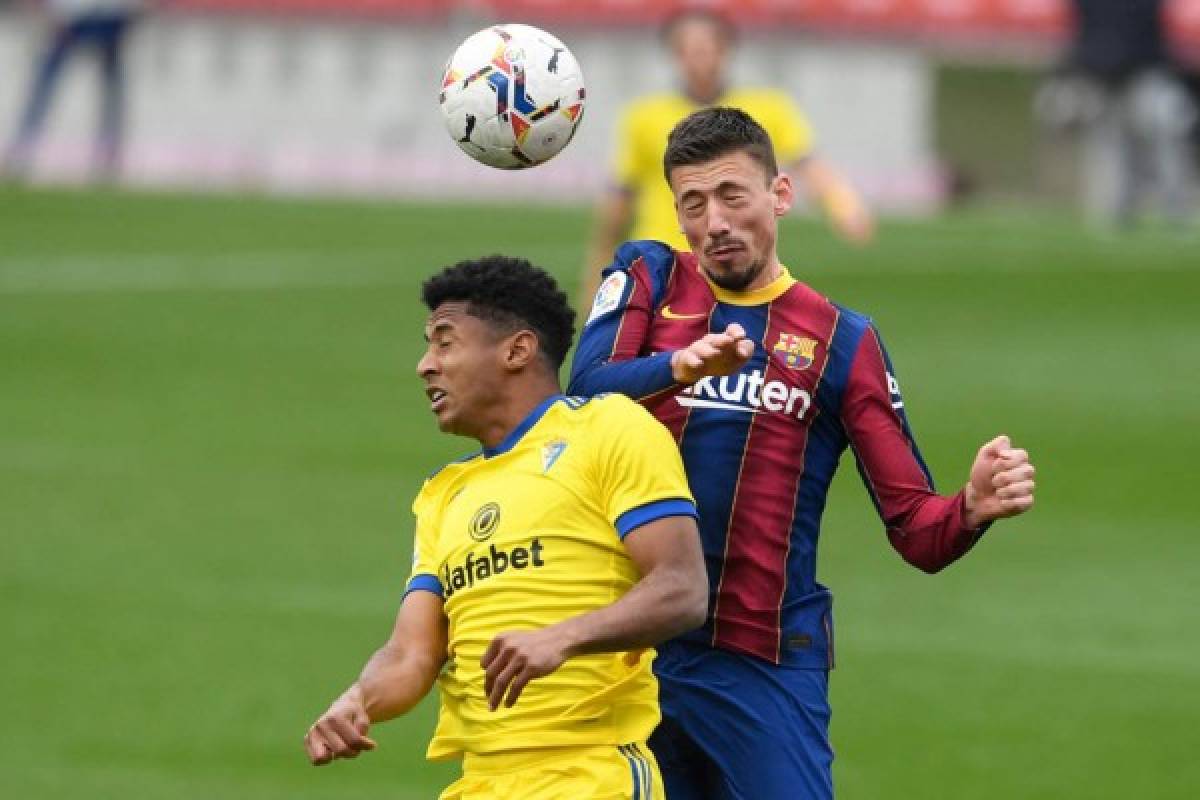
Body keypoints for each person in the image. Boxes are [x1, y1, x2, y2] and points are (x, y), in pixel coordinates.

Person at [569, 108, 1037, 799]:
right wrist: (678, 370)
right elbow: (583, 392)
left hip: (762, 663)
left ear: (780, 196)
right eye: (693, 204)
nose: (715, 222)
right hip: (629, 654)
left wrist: (969, 509)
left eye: (733, 195)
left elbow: (916, 531)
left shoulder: (842, 340)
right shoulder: (650, 276)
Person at [304, 255, 708, 800]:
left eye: (445, 342)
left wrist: (563, 638)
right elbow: (412, 653)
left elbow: (682, 588)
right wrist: (358, 700)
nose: (425, 365)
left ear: (516, 350)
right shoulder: (444, 494)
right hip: (480, 784)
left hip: (589, 775)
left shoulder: (610, 429)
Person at [580, 7, 873, 305]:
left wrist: (842, 202)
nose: (699, 60)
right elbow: (621, 197)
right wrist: (599, 266)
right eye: (689, 50)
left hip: (736, 256)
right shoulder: (643, 117)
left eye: (707, 49)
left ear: (725, 50)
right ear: (675, 54)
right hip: (664, 264)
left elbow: (808, 162)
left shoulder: (768, 108)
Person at [1037, 0, 1196, 227]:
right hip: (1100, 78)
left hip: (1144, 75)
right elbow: (1084, 36)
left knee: (1166, 137)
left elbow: (1149, 36)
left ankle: (1176, 209)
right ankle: (1116, 210)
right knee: (1110, 145)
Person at [2, 0, 145, 180]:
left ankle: (109, 154)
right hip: (73, 15)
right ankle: (23, 148)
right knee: (47, 85)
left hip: (109, 16)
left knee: (109, 89)